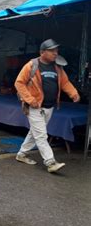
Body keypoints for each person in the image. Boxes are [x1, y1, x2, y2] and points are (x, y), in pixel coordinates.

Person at [15, 39, 80, 173]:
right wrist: (29, 99)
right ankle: (50, 162)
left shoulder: (57, 67)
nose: (55, 53)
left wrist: (73, 93)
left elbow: (65, 82)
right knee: (41, 135)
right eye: (51, 51)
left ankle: (21, 154)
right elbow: (19, 83)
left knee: (35, 132)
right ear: (42, 52)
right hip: (34, 107)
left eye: (56, 51)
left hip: (49, 107)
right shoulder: (32, 65)